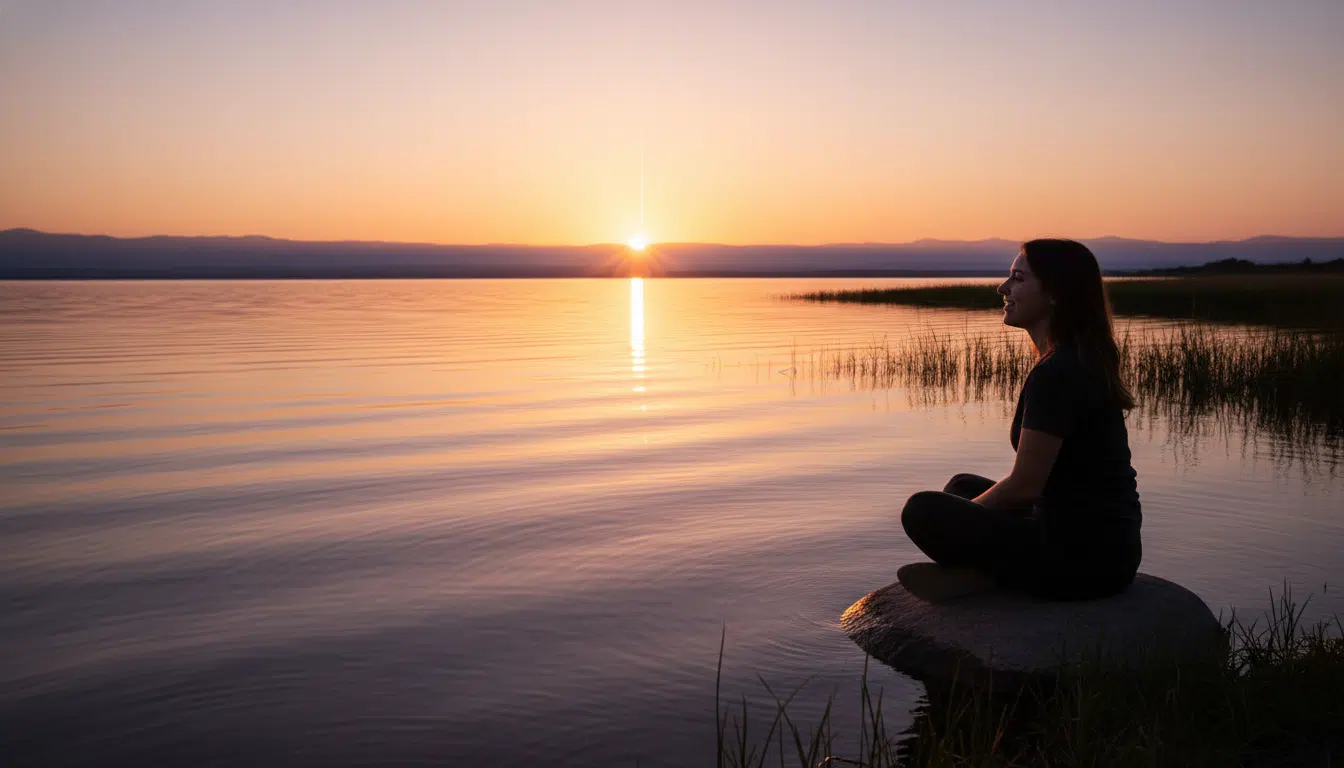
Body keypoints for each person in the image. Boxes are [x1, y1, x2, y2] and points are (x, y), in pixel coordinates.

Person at [900, 239, 1141, 601]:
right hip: (1106, 547)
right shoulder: (1071, 360)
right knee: (961, 486)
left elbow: (1025, 486)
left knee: (923, 510)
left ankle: (985, 578)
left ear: (1055, 294)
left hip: (1086, 559)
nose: (1003, 288)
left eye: (1018, 278)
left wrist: (961, 521)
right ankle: (981, 574)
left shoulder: (1058, 373)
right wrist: (967, 514)